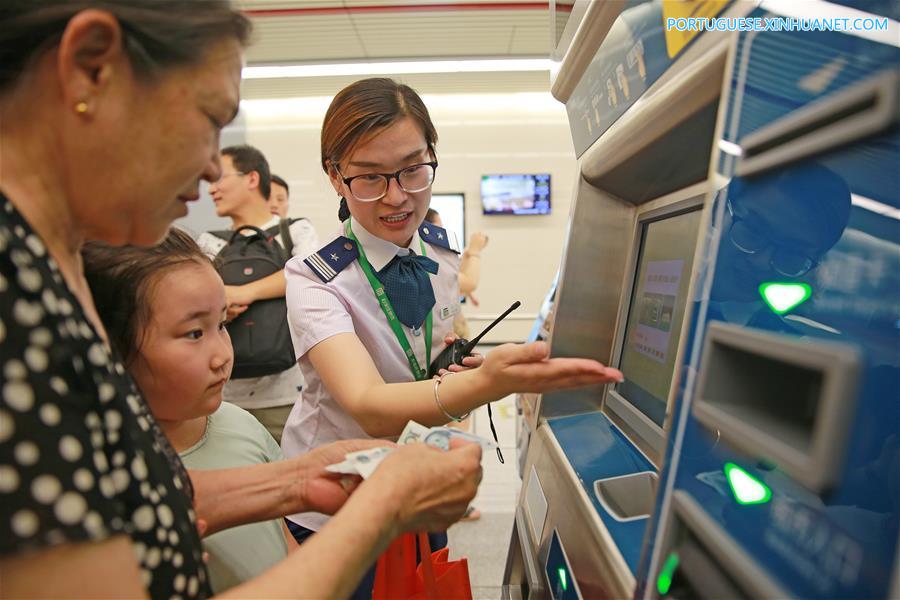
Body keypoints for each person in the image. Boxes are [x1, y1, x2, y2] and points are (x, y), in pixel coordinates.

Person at [0, 3, 483, 598]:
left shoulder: (44, 264)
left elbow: (123, 497)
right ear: (89, 71)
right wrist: (378, 510)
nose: (211, 170)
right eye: (209, 119)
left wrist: (296, 481)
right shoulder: (16, 295)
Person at [280, 77, 623, 594]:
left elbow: (428, 358)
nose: (397, 197)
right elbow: (368, 403)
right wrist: (490, 385)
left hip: (419, 482)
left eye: (413, 170)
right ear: (335, 176)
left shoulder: (440, 255)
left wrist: (464, 370)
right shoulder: (314, 278)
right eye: (370, 178)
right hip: (337, 502)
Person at [82, 228, 301, 592]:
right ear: (112, 348)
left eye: (222, 325)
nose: (223, 356)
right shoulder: (104, 480)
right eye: (194, 334)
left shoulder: (239, 422)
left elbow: (284, 544)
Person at [197, 145, 319, 443]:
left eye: (219, 178)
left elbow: (308, 275)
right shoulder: (209, 242)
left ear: (252, 179)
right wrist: (218, 305)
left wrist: (238, 293)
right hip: (224, 398)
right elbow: (194, 302)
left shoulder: (295, 231)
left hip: (291, 394)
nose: (211, 189)